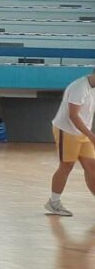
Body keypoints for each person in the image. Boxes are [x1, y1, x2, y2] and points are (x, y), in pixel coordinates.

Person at [44, 68, 95, 217]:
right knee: (66, 166)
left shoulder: (92, 88)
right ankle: (54, 203)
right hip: (67, 130)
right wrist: (91, 136)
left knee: (92, 166)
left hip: (83, 132)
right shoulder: (79, 88)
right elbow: (74, 116)